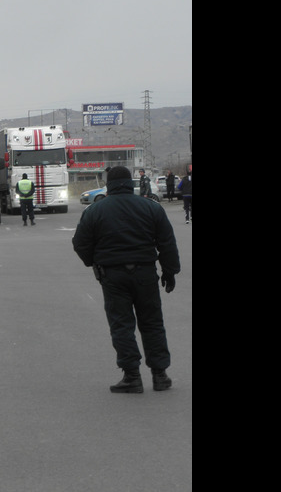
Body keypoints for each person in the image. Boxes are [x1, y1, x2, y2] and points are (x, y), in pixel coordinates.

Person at [71, 166, 180, 394]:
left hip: (112, 275)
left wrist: (95, 262)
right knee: (152, 323)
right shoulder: (151, 207)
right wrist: (169, 272)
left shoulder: (95, 210)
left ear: (109, 185)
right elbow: (167, 243)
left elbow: (80, 243)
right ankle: (160, 375)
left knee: (122, 325)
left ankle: (132, 376)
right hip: (145, 273)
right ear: (130, 184)